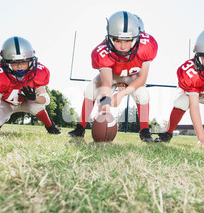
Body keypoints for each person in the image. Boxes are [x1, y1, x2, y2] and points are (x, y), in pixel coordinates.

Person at [67, 11, 158, 142]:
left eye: (128, 41)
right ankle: (80, 128)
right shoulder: (102, 52)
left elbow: (142, 79)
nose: (122, 46)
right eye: (117, 40)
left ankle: (144, 131)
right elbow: (106, 84)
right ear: (110, 38)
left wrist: (121, 94)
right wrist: (106, 109)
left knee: (143, 94)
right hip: (113, 75)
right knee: (90, 91)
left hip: (132, 76)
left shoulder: (146, 47)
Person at [0, 36, 61, 134]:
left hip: (27, 101)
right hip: (6, 103)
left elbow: (46, 100)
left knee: (37, 105)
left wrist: (35, 98)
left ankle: (50, 127)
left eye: (24, 62)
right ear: (6, 61)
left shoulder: (39, 72)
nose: (19, 66)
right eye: (14, 62)